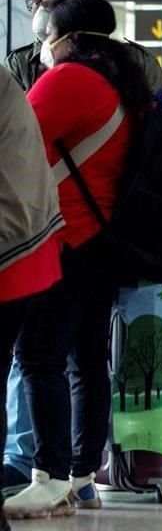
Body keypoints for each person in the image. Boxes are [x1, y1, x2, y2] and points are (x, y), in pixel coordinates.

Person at [4, 0, 149, 519]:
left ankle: (48, 476)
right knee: (86, 360)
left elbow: (15, 140)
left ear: (67, 37)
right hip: (100, 241)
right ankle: (83, 476)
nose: (43, 42)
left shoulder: (69, 80)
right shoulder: (120, 81)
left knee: (38, 356)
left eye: (47, 34)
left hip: (63, 238)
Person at [0, 66, 64, 531]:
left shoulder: (70, 83)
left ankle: (52, 470)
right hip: (31, 246)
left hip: (13, 250)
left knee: (41, 366)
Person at [4, 0, 162, 109]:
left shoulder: (136, 62)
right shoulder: (20, 64)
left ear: (80, 2)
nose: (39, 10)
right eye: (35, 1)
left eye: (49, 1)